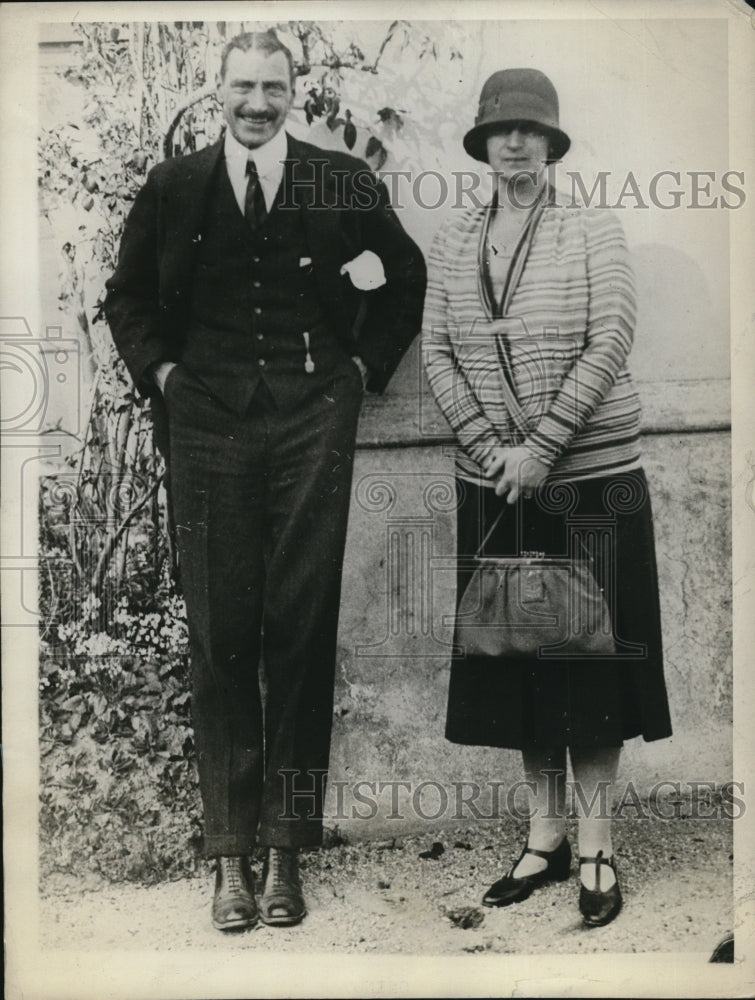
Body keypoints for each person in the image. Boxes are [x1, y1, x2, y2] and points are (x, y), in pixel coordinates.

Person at [105, 30, 426, 931]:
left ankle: (287, 850)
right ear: (219, 92)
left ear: (295, 91)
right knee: (219, 634)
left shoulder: (335, 179)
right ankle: (229, 859)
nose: (256, 101)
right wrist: (166, 378)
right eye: (242, 85)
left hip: (309, 424)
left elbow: (403, 274)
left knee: (298, 625)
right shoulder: (174, 189)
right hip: (205, 428)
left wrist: (361, 372)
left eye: (272, 86)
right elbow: (124, 298)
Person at [422, 68, 672, 926]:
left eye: (531, 130)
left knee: (589, 659)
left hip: (589, 478)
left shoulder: (591, 226)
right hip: (494, 482)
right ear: (483, 144)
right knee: (519, 657)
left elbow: (611, 337)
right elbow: (437, 354)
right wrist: (495, 449)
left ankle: (597, 842)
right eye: (501, 131)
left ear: (553, 142)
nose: (516, 143)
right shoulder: (455, 240)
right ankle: (544, 835)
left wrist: (543, 445)